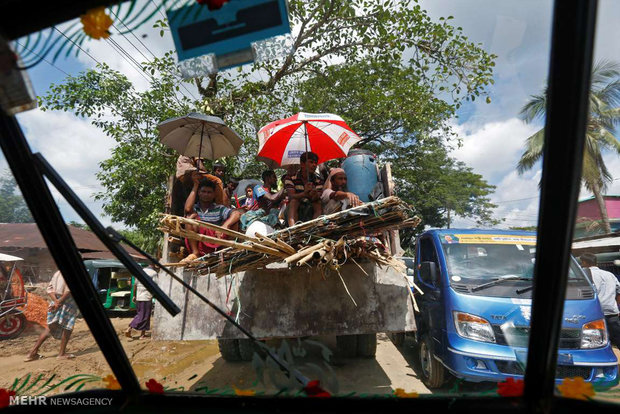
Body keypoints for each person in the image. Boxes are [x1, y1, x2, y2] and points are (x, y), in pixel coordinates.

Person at [183, 177, 243, 262]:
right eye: (203, 192)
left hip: (216, 242)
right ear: (199, 193)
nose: (206, 194)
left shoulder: (219, 208)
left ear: (214, 194)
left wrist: (225, 226)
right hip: (200, 242)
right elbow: (187, 209)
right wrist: (196, 186)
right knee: (189, 218)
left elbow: (237, 214)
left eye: (209, 192)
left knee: (234, 222)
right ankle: (195, 253)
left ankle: (226, 251)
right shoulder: (195, 208)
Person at [25, 271, 79, 361]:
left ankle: (32, 353)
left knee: (50, 327)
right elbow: (69, 291)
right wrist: (59, 302)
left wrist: (56, 301)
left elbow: (49, 289)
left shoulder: (57, 273)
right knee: (68, 327)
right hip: (68, 302)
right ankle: (61, 354)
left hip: (55, 301)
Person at [580, 253, 620, 349]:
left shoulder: (584, 274)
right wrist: (617, 306)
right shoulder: (610, 275)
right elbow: (619, 291)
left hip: (595, 315)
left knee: (594, 344)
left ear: (584, 262)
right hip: (612, 312)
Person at [285, 152, 324, 227]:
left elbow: (317, 197)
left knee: (318, 203)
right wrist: (304, 193)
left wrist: (314, 193)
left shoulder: (318, 180)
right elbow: (291, 196)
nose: (314, 165)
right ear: (302, 164)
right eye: (311, 162)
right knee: (294, 201)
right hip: (293, 210)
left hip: (310, 209)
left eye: (315, 163)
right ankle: (293, 230)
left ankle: (314, 228)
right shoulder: (291, 178)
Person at [125, 265, 156, 340]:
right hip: (146, 297)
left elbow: (135, 286)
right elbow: (155, 286)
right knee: (144, 316)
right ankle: (130, 328)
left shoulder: (140, 273)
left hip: (139, 298)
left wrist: (134, 296)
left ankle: (142, 334)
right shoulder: (153, 273)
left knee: (140, 314)